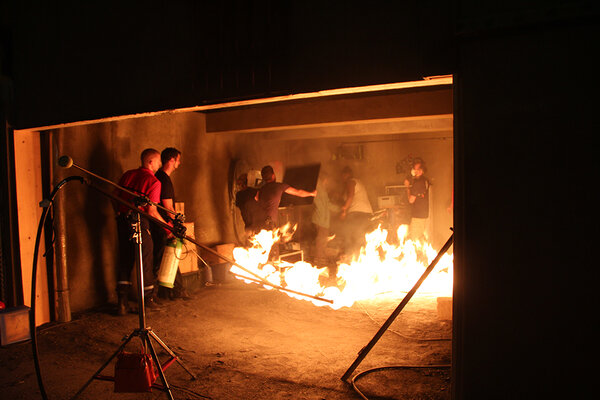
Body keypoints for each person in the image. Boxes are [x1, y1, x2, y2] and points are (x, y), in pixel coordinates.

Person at [114, 148, 169, 316]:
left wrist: (118, 212)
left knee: (125, 258)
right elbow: (151, 211)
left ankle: (122, 303)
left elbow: (114, 195)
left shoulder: (127, 175)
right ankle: (147, 301)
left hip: (122, 220)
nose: (160, 164)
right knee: (145, 258)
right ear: (150, 162)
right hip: (139, 221)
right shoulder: (153, 182)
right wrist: (168, 228)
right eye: (159, 161)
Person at [151, 147, 192, 300]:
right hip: (162, 226)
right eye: (178, 160)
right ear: (172, 160)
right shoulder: (164, 179)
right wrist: (176, 222)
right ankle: (152, 295)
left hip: (159, 224)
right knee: (160, 258)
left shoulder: (159, 176)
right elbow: (168, 207)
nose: (179, 163)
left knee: (169, 256)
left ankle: (174, 291)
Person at [253, 165, 317, 259]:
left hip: (259, 222)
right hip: (269, 223)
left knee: (262, 249)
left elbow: (256, 198)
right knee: (272, 250)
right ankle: (271, 268)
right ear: (273, 175)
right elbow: (298, 192)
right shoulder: (279, 186)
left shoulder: (261, 189)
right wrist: (311, 193)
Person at [339, 166, 374, 259]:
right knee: (360, 236)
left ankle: (350, 257)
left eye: (342, 176)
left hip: (358, 213)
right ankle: (361, 258)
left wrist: (344, 210)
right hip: (367, 213)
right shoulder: (358, 182)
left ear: (347, 175)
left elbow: (350, 197)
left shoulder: (351, 182)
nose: (342, 178)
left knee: (349, 234)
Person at [403, 158, 430, 242]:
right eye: (414, 169)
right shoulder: (425, 180)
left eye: (417, 169)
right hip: (424, 214)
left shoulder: (418, 183)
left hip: (418, 215)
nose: (415, 171)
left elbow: (411, 200)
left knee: (414, 240)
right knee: (421, 238)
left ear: (421, 171)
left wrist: (407, 187)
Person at [234, 173, 258, 244]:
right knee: (252, 242)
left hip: (252, 223)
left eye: (240, 183)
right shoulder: (254, 191)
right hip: (252, 223)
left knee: (252, 242)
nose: (240, 186)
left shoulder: (240, 194)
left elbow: (239, 205)